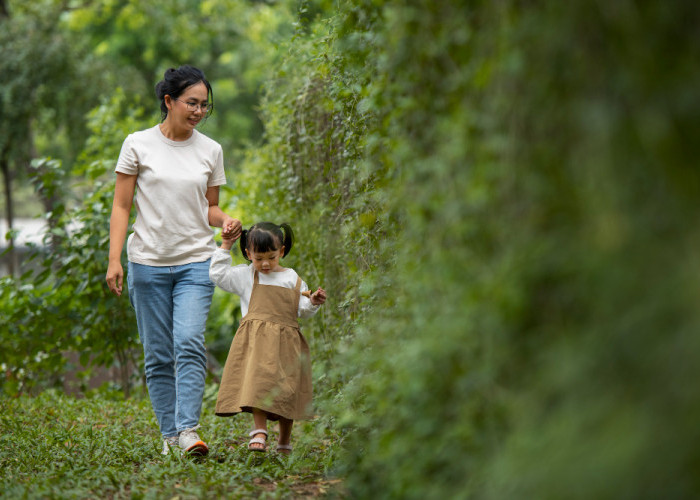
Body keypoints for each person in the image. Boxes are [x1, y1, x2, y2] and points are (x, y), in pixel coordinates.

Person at [105, 65, 242, 457]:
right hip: (146, 263)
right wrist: (115, 260)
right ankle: (169, 436)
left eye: (204, 105)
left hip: (196, 262)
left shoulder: (210, 150)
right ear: (169, 101)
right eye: (191, 103)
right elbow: (121, 205)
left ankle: (188, 431)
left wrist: (226, 220)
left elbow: (210, 207)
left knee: (188, 342)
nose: (198, 111)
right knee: (159, 352)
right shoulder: (137, 144)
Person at [209, 222, 326, 454]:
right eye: (258, 258)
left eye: (271, 258)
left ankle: (284, 441)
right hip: (257, 344)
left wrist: (312, 302)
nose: (265, 264)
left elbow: (302, 309)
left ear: (281, 251)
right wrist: (224, 246)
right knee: (258, 385)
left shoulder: (292, 278)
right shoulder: (246, 275)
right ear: (248, 254)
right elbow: (218, 275)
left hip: (288, 344)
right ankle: (259, 431)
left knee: (287, 390)